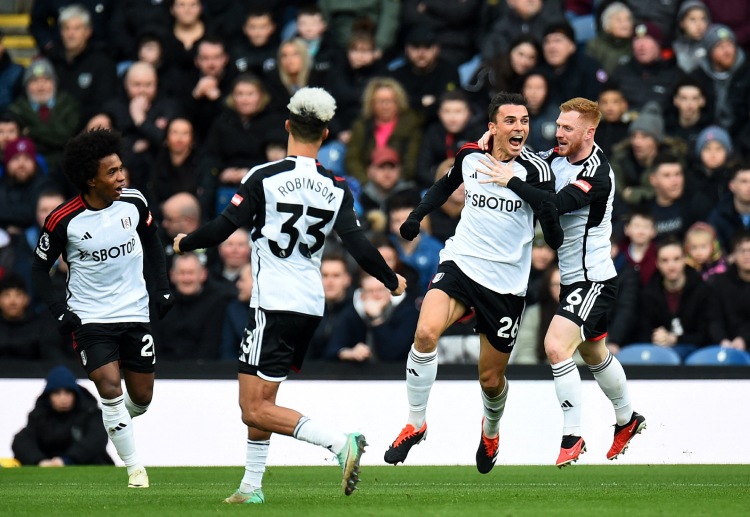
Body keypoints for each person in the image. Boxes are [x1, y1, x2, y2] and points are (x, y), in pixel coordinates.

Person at [172, 87, 406, 503]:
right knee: (262, 399)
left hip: (272, 303)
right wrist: (391, 279)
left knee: (252, 407)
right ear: (326, 133)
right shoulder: (336, 185)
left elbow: (225, 227)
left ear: (286, 125)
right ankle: (251, 486)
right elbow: (358, 245)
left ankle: (339, 442)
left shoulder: (264, 176)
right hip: (309, 304)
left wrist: (183, 244)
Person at [383, 92, 561, 474]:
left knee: (491, 378)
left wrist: (513, 182)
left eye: (525, 120)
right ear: (492, 127)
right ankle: (416, 423)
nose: (520, 128)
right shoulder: (470, 156)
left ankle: (490, 430)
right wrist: (417, 217)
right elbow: (444, 185)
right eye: (511, 121)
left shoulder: (537, 170)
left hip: (506, 284)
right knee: (425, 334)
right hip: (461, 264)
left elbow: (552, 224)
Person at [488, 97, 646, 467]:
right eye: (558, 125)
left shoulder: (598, 173)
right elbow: (527, 163)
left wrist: (511, 180)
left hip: (594, 280)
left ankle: (572, 437)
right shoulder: (556, 158)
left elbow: (554, 204)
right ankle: (628, 418)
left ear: (589, 132)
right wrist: (493, 141)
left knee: (556, 346)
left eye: (568, 128)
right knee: (594, 353)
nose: (559, 133)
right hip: (574, 282)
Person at [30, 128, 173, 488]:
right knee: (109, 388)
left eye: (121, 168)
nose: (121, 177)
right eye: (112, 172)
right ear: (90, 179)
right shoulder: (63, 219)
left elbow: (153, 244)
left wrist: (162, 289)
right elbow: (38, 268)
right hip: (91, 317)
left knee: (141, 398)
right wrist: (59, 310)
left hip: (135, 312)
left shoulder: (135, 202)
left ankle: (112, 422)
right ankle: (135, 469)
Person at [12, 365, 114, 466]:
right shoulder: (39, 416)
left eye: (68, 393)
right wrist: (40, 461)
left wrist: (67, 460)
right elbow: (22, 441)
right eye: (57, 393)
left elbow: (95, 440)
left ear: (75, 394)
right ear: (49, 396)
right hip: (48, 468)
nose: (63, 399)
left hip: (88, 466)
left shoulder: (91, 413)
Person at [638, 236, 710, 359]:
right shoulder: (649, 292)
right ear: (657, 263)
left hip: (696, 353)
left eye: (676, 259)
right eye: (665, 260)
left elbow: (706, 334)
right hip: (658, 352)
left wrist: (675, 339)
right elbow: (642, 331)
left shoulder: (701, 289)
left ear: (684, 260)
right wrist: (656, 337)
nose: (671, 266)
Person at [707, 229, 750, 351]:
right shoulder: (720, 283)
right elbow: (714, 319)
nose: (747, 255)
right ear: (733, 256)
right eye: (742, 251)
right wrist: (722, 340)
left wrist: (744, 339)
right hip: (726, 345)